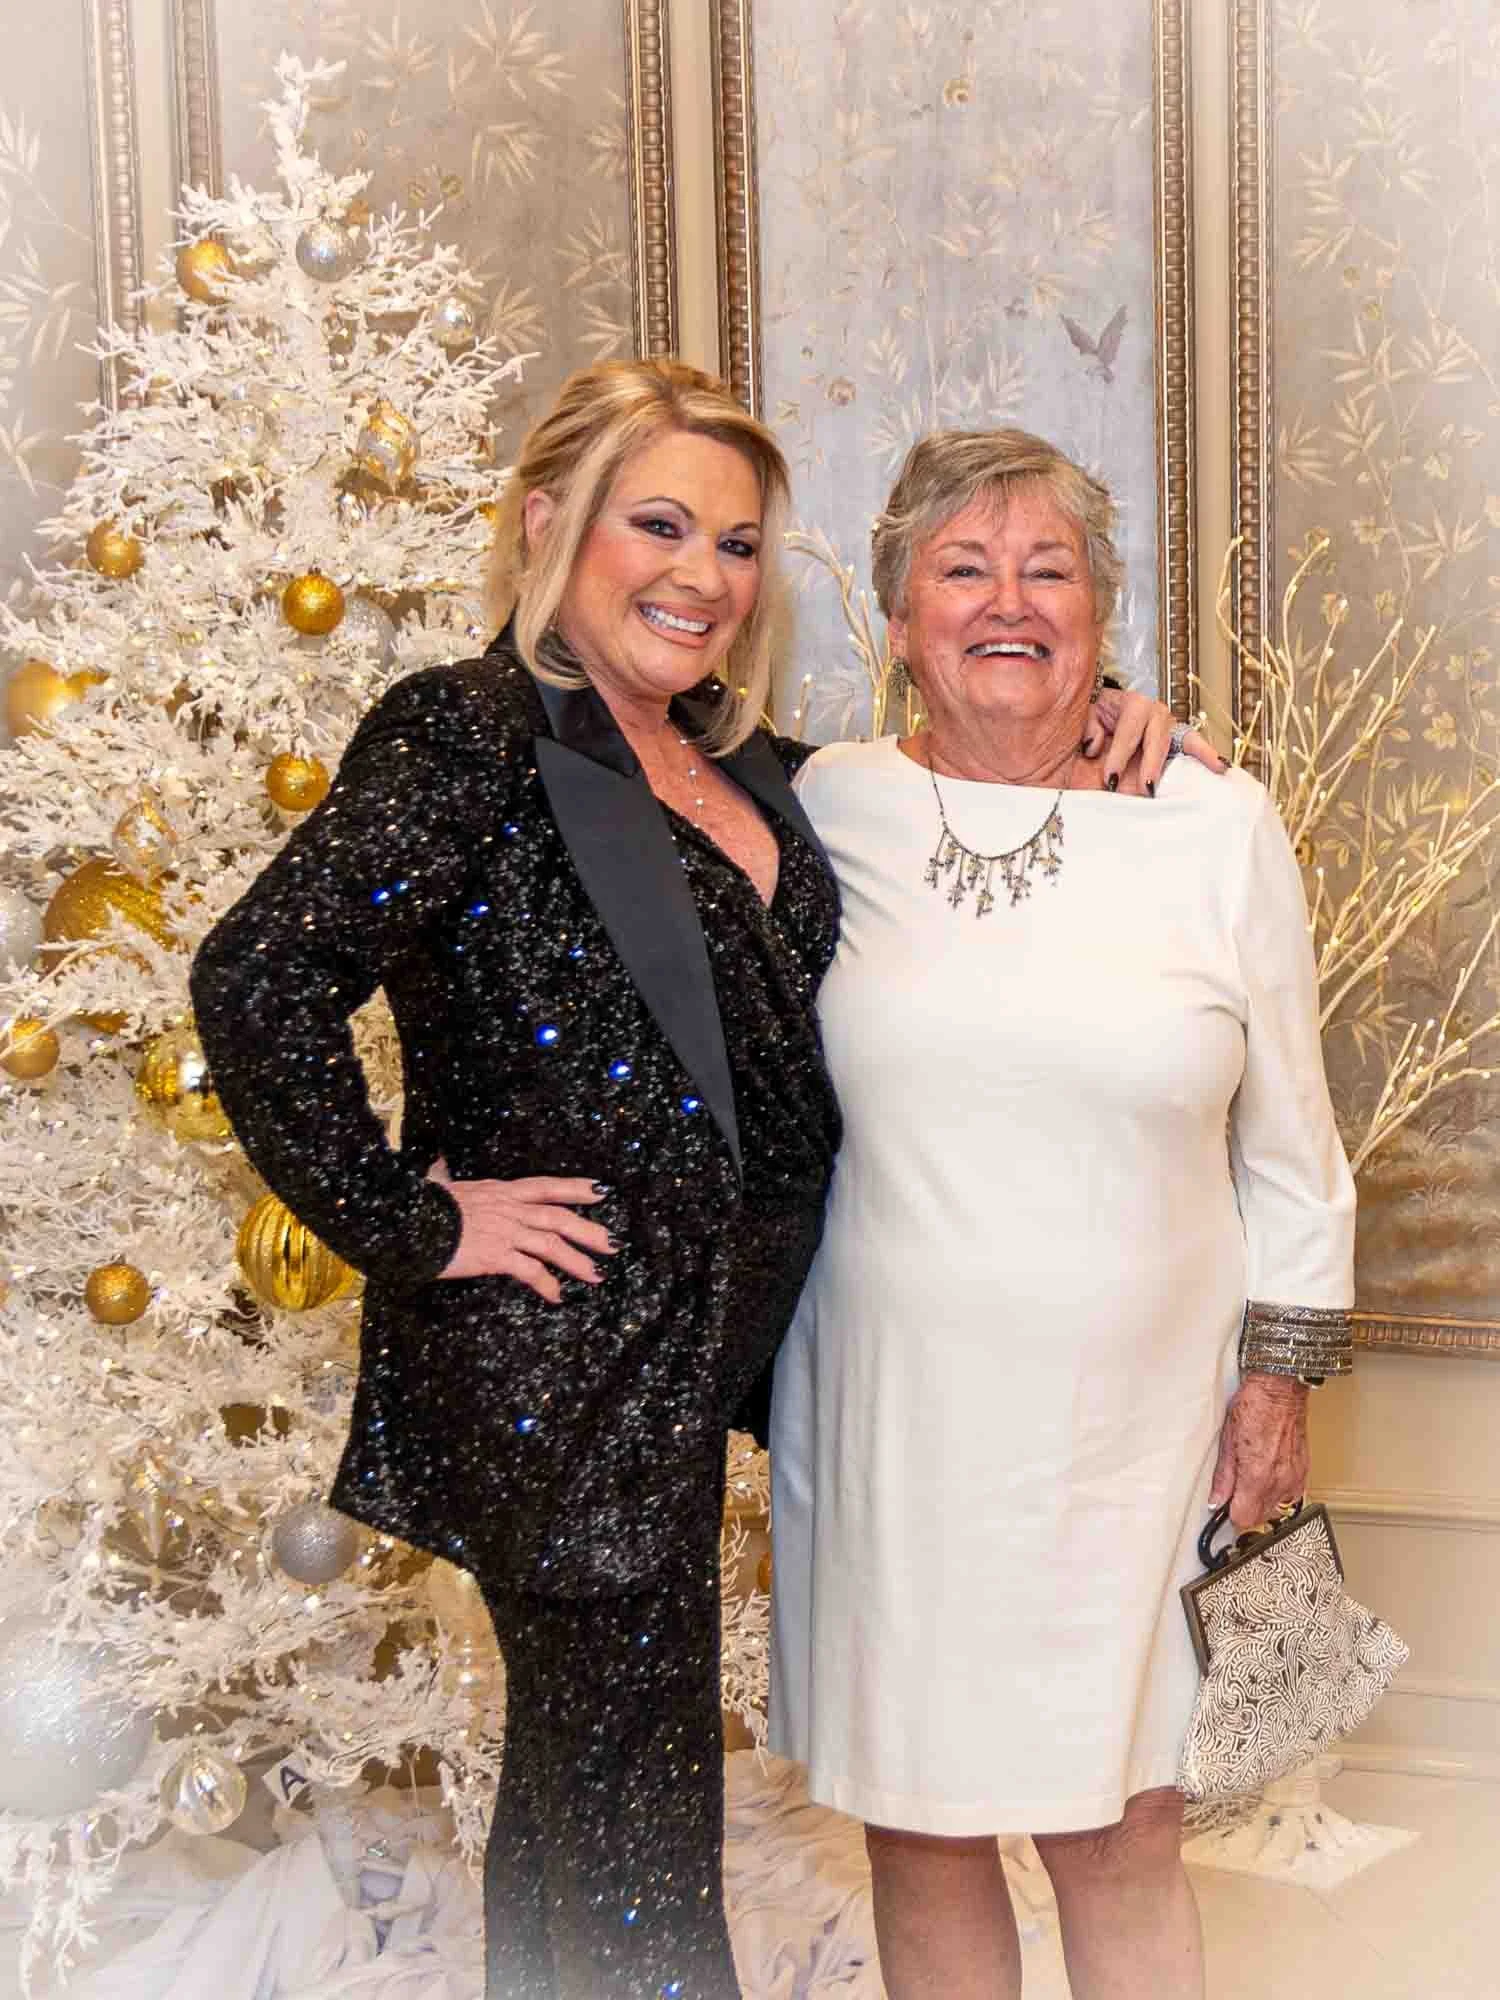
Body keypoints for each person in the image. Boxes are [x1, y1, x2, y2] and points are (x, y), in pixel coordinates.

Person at [191, 362, 1210, 2000]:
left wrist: (1103, 721)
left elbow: (956, 804)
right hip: (567, 1371)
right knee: (622, 1832)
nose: (702, 576)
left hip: (703, 1370)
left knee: (625, 1810)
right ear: (549, 528)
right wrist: (419, 1223)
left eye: (737, 546)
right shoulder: (474, 732)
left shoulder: (750, 771)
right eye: (657, 525)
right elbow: (256, 982)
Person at [768, 427, 1357, 2000]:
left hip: (1145, 1432)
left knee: (1126, 1827)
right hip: (897, 1425)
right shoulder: (816, 812)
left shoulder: (1212, 821)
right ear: (896, 620)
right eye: (962, 569)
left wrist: (1277, 1383)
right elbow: (609, 745)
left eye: (1051, 571)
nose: (1007, 602)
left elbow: (1294, 1145)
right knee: (923, 1831)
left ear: (1102, 615)